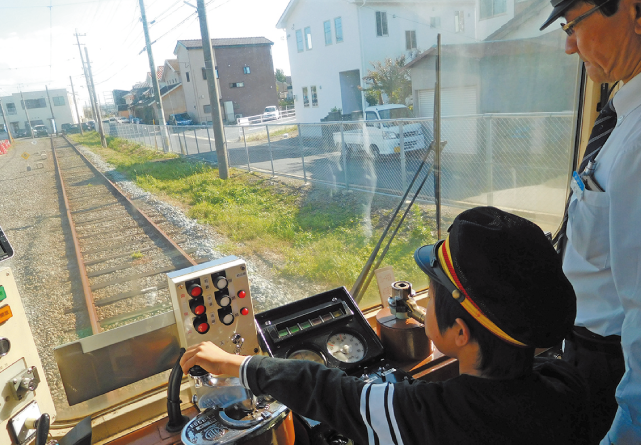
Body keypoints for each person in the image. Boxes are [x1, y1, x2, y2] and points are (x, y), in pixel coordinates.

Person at [181, 206, 590, 445]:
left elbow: (327, 390)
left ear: (461, 333)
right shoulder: (565, 386)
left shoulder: (432, 417)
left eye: (431, 298)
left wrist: (236, 364)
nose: (421, 306)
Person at [540, 0, 641, 442]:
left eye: (573, 25)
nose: (568, 46)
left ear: (636, 13)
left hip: (614, 365)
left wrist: (628, 426)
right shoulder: (622, 113)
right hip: (584, 347)